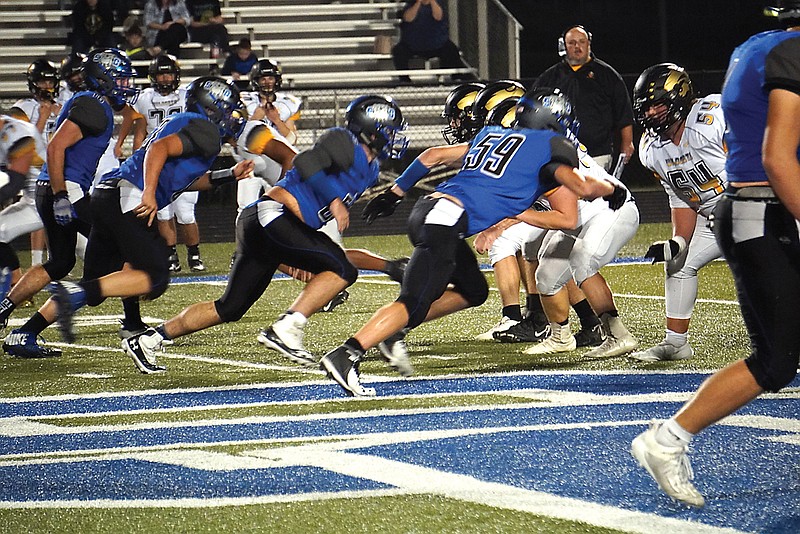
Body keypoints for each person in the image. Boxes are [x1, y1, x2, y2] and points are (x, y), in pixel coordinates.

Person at [320, 88, 628, 397]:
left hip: (431, 211)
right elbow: (582, 187)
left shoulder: (493, 135)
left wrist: (395, 192)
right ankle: (347, 353)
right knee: (413, 300)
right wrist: (612, 189)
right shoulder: (548, 147)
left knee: (474, 290)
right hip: (445, 220)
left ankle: (395, 328)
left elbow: (431, 156)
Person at [631, 3, 800, 508]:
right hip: (762, 208)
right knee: (776, 360)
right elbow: (774, 155)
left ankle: (668, 437)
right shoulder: (789, 53)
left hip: (748, 209)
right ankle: (667, 438)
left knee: (779, 357)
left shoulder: (754, 48)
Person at [119, 95, 409, 374]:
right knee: (342, 269)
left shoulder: (370, 168)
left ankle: (148, 339)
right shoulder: (344, 141)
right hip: (273, 216)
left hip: (270, 225)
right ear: (372, 130)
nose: (395, 136)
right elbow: (304, 162)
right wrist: (334, 199)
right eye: (390, 130)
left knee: (229, 308)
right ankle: (287, 327)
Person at [51, 76, 254, 373]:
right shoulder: (205, 129)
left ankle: (31, 326)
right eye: (230, 109)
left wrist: (229, 175)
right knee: (155, 276)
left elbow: (186, 179)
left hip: (109, 194)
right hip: (129, 194)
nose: (234, 116)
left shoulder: (193, 126)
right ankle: (83, 300)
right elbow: (158, 149)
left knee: (104, 281)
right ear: (214, 107)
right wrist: (148, 192)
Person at [0, 48, 139, 358]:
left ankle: (10, 318)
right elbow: (56, 148)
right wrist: (63, 196)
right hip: (66, 190)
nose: (125, 85)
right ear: (103, 79)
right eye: (119, 79)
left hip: (50, 188)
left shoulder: (90, 102)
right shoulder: (94, 104)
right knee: (126, 247)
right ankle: (133, 324)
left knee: (61, 262)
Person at [629, 64, 727, 362]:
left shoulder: (711, 118)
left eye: (657, 105)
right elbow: (680, 196)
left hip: (759, 206)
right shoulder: (652, 148)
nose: (650, 114)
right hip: (714, 216)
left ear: (680, 97)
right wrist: (679, 241)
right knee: (679, 264)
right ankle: (676, 343)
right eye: (646, 108)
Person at [131, 53, 206, 273]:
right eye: (161, 74)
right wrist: (138, 159)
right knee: (163, 212)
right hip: (157, 161)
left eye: (169, 74)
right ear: (153, 76)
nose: (165, 79)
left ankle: (194, 254)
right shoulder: (144, 98)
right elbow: (140, 131)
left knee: (185, 213)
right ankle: (170, 254)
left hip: (184, 159)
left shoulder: (188, 96)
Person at [534, 25, 634, 171]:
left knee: (591, 193)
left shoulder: (607, 75)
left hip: (597, 153)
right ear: (564, 46)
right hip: (558, 153)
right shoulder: (550, 77)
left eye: (582, 41)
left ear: (589, 44)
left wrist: (627, 142)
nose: (577, 46)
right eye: (572, 43)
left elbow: (623, 111)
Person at [9, 59, 62, 273]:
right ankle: (35, 264)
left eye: (50, 81)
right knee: (37, 215)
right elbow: (23, 142)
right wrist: (42, 118)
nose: (47, 86)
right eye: (42, 82)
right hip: (33, 168)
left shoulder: (63, 103)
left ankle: (54, 261)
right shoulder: (22, 107)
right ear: (33, 83)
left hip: (57, 165)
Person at [0, 116, 43, 310]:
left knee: (91, 254)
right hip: (33, 200)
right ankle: (16, 288)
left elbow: (13, 183)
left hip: (50, 201)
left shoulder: (17, 132)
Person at [391, 0, 470, 82]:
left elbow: (438, 16)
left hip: (437, 45)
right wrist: (418, 3)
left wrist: (432, 1)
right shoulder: (411, 4)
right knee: (398, 51)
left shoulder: (438, 4)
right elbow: (408, 18)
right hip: (413, 46)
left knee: (452, 49)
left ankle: (456, 77)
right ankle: (404, 79)